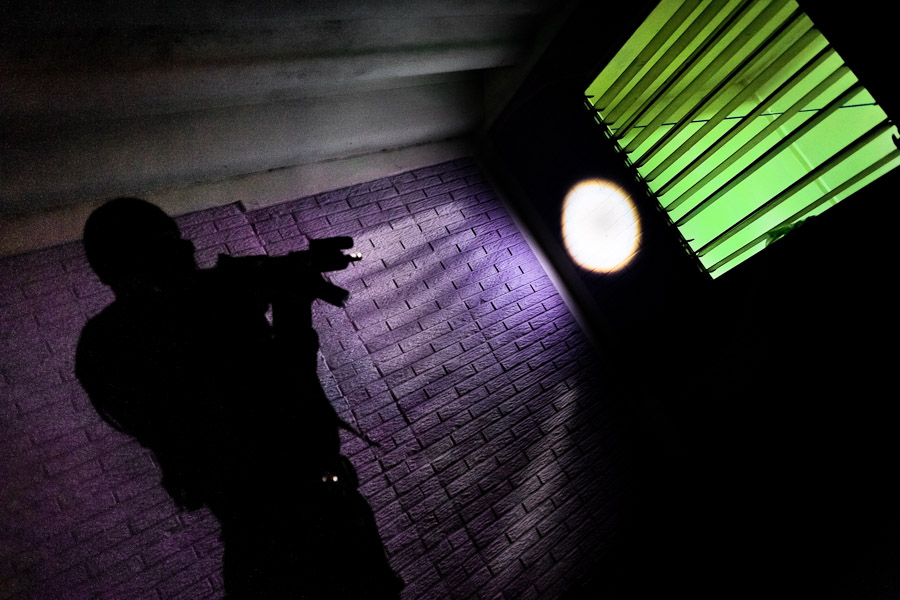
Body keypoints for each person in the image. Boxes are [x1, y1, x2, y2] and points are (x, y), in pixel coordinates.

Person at [75, 197, 403, 599]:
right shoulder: (158, 329)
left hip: (268, 538)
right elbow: (287, 409)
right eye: (170, 250)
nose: (187, 260)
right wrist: (290, 310)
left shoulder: (106, 343)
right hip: (302, 539)